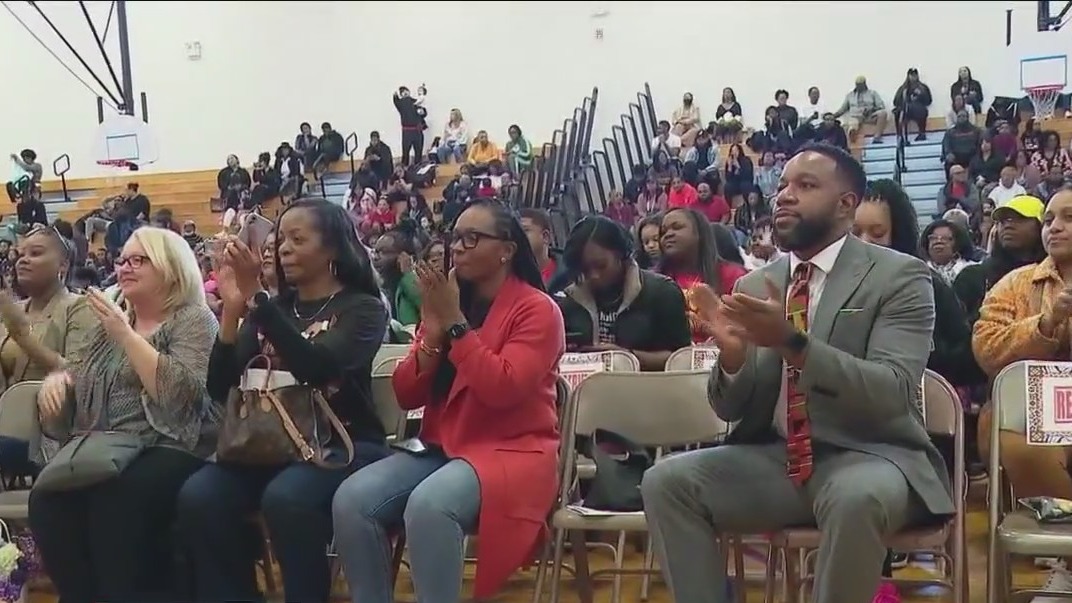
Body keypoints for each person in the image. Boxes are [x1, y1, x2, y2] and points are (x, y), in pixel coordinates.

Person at [640, 143, 953, 603]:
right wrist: (733, 360)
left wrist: (792, 342)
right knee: (665, 482)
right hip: (779, 459)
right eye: (783, 185)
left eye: (805, 186)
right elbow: (728, 407)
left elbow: (891, 391)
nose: (784, 195)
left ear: (846, 204)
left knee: (856, 498)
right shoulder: (754, 284)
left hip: (872, 456)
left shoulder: (900, 276)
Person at [332, 198, 563, 603]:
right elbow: (406, 394)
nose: (457, 247)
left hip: (512, 451)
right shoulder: (449, 300)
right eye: (455, 237)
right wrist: (433, 335)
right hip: (443, 446)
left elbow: (502, 388)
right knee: (351, 500)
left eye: (472, 238)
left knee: (430, 505)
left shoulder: (538, 310)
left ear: (507, 250)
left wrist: (455, 324)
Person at [176, 199, 391, 603]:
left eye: (297, 239)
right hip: (266, 443)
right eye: (279, 242)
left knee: (287, 498)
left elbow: (317, 368)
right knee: (199, 496)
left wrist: (259, 300)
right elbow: (220, 387)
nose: (283, 249)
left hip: (340, 442)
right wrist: (232, 313)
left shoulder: (363, 309)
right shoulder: (274, 308)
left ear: (332, 247)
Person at [29, 226, 218, 603]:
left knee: (116, 499)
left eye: (139, 260)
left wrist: (127, 337)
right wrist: (59, 383)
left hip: (171, 444)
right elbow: (75, 373)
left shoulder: (193, 319)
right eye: (122, 260)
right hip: (107, 446)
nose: (125, 267)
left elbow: (181, 398)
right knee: (48, 499)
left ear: (171, 268)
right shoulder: (110, 325)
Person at [972, 187, 1072, 597]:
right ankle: (1067, 564)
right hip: (1031, 416)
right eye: (1049, 219)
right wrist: (1046, 324)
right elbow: (986, 348)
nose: (1055, 227)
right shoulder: (1015, 283)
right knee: (1012, 434)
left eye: (1068, 218)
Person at [0, 225, 95, 479]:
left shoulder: (80, 307)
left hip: (50, 435)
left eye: (36, 253)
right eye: (20, 254)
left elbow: (81, 375)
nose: (23, 260)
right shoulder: (11, 308)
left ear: (63, 265)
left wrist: (23, 336)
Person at [557, 215, 691, 370]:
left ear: (620, 254)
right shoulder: (570, 301)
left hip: (649, 382)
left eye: (601, 266)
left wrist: (626, 357)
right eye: (585, 269)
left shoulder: (662, 292)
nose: (594, 275)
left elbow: (683, 357)